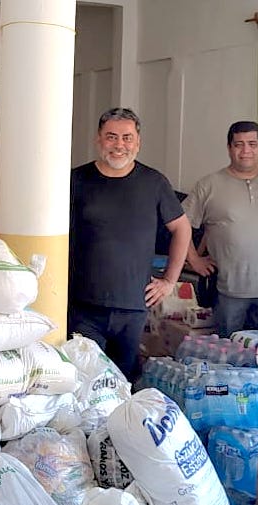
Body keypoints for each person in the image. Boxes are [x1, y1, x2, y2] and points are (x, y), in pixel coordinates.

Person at [70, 107, 192, 379]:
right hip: (83, 306)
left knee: (123, 382)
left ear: (138, 142)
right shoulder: (76, 180)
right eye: (111, 137)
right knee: (84, 381)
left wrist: (169, 281)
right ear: (98, 140)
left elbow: (182, 228)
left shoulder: (154, 182)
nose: (119, 145)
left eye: (127, 138)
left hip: (133, 306)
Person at [183, 121, 258, 336]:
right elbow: (179, 224)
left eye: (252, 144)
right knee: (229, 356)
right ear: (229, 148)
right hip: (228, 292)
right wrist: (194, 259)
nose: (246, 151)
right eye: (239, 144)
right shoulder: (208, 185)